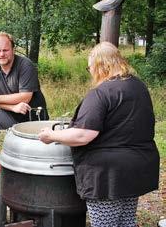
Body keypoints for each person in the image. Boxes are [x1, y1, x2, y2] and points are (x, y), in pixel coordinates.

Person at [38, 42, 160, 227]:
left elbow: (83, 135)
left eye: (90, 67)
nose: (91, 72)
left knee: (105, 224)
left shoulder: (101, 93)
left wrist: (51, 136)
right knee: (126, 222)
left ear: (101, 65)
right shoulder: (138, 86)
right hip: (135, 169)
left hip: (107, 176)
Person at [0, 32, 49, 158]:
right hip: (9, 115)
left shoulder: (25, 65)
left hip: (32, 118)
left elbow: (25, 96)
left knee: (34, 158)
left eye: (5, 50)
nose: (1, 54)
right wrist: (12, 107)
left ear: (13, 49)